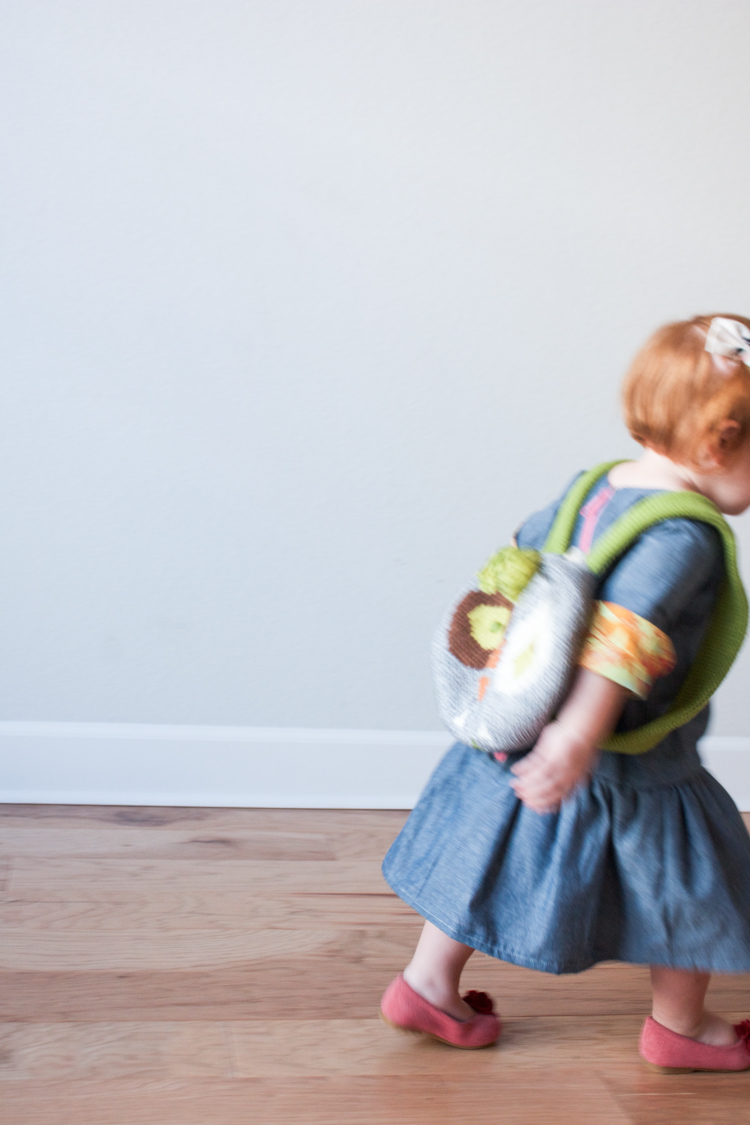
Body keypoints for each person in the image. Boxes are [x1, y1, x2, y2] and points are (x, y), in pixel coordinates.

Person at [380, 314, 750, 1072]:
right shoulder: (683, 534)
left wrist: (527, 703)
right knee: (685, 876)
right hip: (620, 749)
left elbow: (522, 563)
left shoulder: (597, 483)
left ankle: (428, 981)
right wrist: (579, 734)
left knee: (488, 843)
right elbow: (624, 638)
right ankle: (683, 1026)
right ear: (718, 445)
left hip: (526, 714)